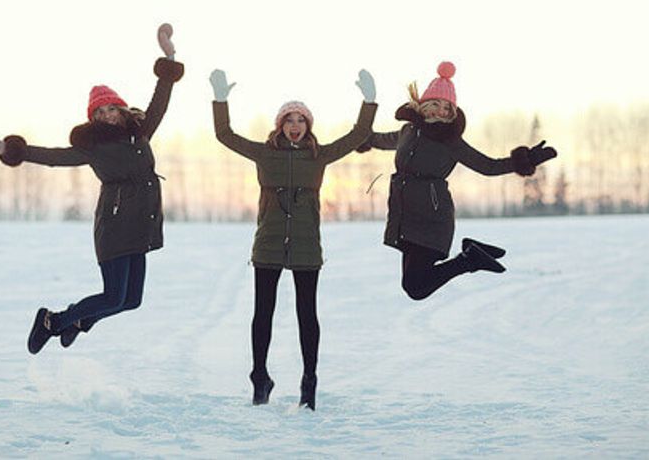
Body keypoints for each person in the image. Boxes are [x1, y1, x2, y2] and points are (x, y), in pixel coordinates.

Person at [0, 24, 184, 354]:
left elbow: (161, 100)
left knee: (131, 301)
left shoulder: (140, 131)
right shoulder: (93, 147)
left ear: (121, 108)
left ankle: (78, 321)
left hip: (141, 224)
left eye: (111, 108)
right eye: (99, 113)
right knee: (113, 296)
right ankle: (52, 321)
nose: (107, 116)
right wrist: (8, 149)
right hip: (115, 227)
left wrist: (169, 55)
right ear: (94, 119)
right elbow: (55, 158)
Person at [210, 68, 378, 410]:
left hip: (305, 244)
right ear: (280, 124)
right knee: (263, 313)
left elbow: (359, 134)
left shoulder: (320, 155)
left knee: (307, 314)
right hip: (269, 241)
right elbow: (225, 134)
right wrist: (221, 100)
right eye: (290, 119)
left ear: (308, 125)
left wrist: (369, 101)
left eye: (301, 119)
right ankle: (259, 376)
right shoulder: (264, 153)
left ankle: (309, 381)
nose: (295, 124)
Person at [357, 61, 557, 301]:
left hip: (432, 218)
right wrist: (368, 104)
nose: (441, 111)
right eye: (437, 104)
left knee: (415, 287)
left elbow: (488, 166)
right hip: (406, 218)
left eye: (447, 107)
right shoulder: (407, 131)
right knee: (413, 285)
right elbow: (371, 139)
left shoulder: (450, 142)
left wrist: (526, 159)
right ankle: (470, 255)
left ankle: (470, 259)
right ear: (424, 104)